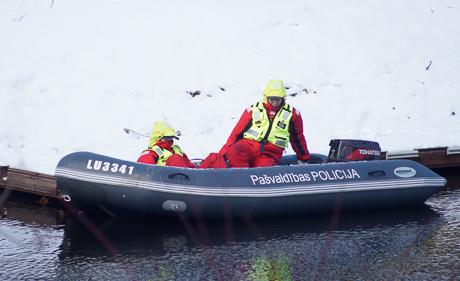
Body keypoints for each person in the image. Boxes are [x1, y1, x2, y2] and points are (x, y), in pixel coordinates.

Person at [219, 79, 319, 168]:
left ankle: (252, 183)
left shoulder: (293, 115)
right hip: (248, 146)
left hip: (271, 153)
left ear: (283, 98)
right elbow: (236, 135)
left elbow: (297, 138)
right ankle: (241, 180)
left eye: (277, 99)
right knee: (235, 151)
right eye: (272, 99)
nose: (275, 103)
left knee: (263, 170)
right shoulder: (253, 110)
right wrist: (221, 156)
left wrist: (305, 157)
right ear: (266, 97)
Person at [138, 121, 227, 169]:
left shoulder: (177, 150)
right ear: (158, 137)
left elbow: (191, 167)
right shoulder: (150, 153)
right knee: (175, 158)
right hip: (171, 183)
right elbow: (143, 173)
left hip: (192, 179)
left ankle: (227, 187)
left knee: (214, 157)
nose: (170, 141)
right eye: (167, 138)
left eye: (171, 138)